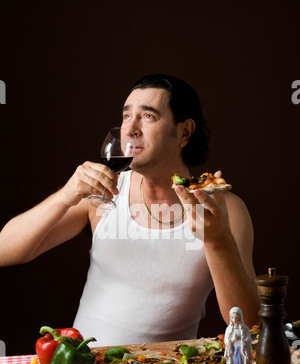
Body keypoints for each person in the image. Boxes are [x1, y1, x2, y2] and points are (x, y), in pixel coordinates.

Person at [0, 73, 260, 346]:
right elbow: (5, 251)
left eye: (148, 116)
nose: (130, 129)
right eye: (126, 116)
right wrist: (64, 196)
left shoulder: (223, 209)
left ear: (184, 132)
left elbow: (251, 322)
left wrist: (218, 241)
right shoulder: (101, 192)